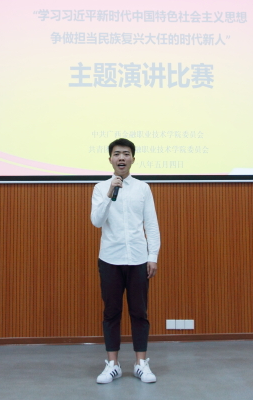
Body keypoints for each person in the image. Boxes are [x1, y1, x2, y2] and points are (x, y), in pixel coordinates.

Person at [90, 138, 161, 384]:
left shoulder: (143, 188)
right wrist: (110, 193)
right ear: (110, 159)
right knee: (111, 312)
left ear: (133, 159)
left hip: (138, 259)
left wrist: (153, 256)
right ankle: (113, 364)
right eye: (117, 153)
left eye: (126, 153)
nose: (122, 157)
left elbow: (151, 224)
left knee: (139, 312)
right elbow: (97, 221)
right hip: (110, 258)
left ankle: (141, 364)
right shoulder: (101, 188)